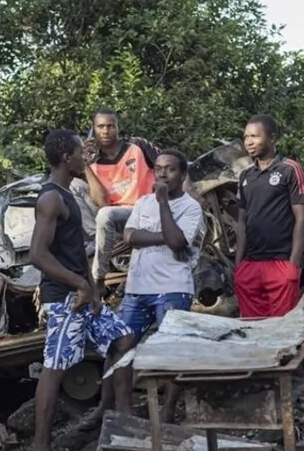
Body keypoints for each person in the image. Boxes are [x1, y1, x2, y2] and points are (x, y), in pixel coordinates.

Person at [32, 129, 136, 451]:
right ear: (66, 157)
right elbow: (38, 254)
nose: (84, 157)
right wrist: (78, 285)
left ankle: (123, 421)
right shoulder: (50, 198)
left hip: (81, 295)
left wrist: (92, 288)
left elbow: (76, 251)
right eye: (80, 152)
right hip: (64, 300)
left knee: (124, 340)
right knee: (55, 369)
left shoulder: (68, 195)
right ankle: (41, 445)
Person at [120, 149, 205, 422]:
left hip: (173, 288)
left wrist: (164, 204)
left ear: (182, 174)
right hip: (137, 287)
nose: (163, 174)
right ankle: (123, 413)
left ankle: (167, 414)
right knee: (121, 347)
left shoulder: (191, 207)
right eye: (158, 168)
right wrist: (164, 236)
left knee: (173, 351)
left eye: (170, 169)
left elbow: (179, 243)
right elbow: (130, 236)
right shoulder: (143, 202)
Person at [233, 114, 304, 318]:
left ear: (272, 139)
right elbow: (241, 221)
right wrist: (239, 265)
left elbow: (302, 218)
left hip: (281, 263)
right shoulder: (245, 176)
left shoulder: (290, 169)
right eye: (246, 137)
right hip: (250, 266)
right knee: (252, 328)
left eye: (255, 136)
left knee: (282, 332)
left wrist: (292, 265)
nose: (249, 141)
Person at [83, 109, 161, 290]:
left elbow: (169, 163)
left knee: (104, 215)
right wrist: (86, 164)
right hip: (121, 215)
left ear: (117, 127)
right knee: (97, 210)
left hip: (148, 208)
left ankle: (97, 278)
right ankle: (100, 275)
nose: (106, 131)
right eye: (100, 126)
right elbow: (103, 203)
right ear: (93, 130)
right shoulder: (94, 162)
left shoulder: (137, 146)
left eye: (110, 126)